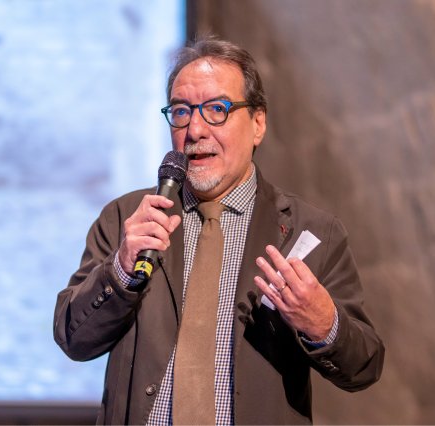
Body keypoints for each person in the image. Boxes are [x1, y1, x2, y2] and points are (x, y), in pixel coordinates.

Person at [53, 37, 384, 425]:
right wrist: (121, 271)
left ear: (258, 124)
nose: (195, 129)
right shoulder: (128, 219)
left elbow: (363, 368)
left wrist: (324, 324)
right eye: (181, 111)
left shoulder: (310, 232)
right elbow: (73, 338)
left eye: (216, 110)